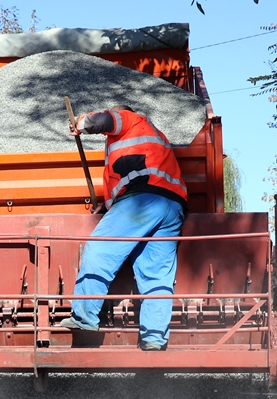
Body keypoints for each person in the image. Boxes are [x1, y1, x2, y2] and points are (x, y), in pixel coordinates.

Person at [61, 105, 187, 351]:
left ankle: (84, 315)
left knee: (100, 249)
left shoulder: (131, 120)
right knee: (156, 273)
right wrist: (109, 209)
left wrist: (81, 122)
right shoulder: (154, 138)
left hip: (142, 200)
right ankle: (154, 338)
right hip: (173, 207)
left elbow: (106, 119)